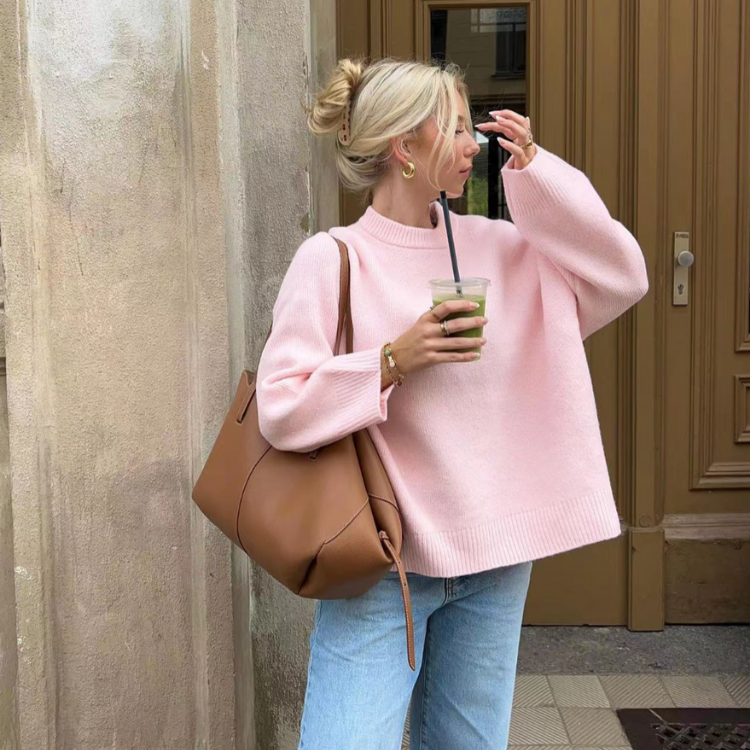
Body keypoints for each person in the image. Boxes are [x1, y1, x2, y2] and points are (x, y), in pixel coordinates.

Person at [255, 57, 649, 750]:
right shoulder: (333, 258)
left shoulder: (502, 249)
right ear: (404, 146)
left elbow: (622, 275)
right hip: (382, 565)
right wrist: (390, 362)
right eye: (458, 127)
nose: (474, 144)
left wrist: (537, 174)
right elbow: (280, 409)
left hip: (495, 558)